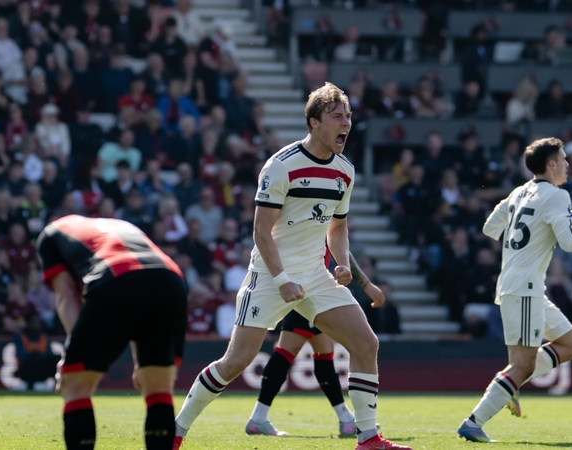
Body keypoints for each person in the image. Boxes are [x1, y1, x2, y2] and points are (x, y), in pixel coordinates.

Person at [172, 82, 410, 450]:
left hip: (315, 276)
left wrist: (343, 264)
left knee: (366, 342)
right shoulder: (282, 165)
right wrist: (282, 279)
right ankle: (175, 431)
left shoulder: (344, 170)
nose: (345, 123)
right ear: (314, 122)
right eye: (336, 116)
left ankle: (368, 437)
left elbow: (338, 226)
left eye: (347, 116)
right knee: (235, 361)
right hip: (270, 275)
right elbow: (260, 231)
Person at [457, 137, 572, 443]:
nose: (567, 164)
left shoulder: (518, 192)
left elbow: (489, 228)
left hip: (526, 287)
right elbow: (569, 243)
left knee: (571, 343)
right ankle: (475, 421)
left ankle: (509, 385)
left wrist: (531, 234)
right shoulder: (557, 195)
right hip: (524, 288)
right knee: (521, 365)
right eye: (563, 159)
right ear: (551, 164)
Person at [37, 215, 187, 450]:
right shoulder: (124, 225)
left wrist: (71, 354)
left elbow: (66, 295)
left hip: (115, 275)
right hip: (170, 279)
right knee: (157, 387)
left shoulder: (51, 234)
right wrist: (142, 362)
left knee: (74, 383)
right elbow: (144, 280)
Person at [246, 251, 385, 437]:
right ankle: (345, 420)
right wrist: (367, 285)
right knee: (290, 352)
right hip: (310, 289)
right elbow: (339, 248)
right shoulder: (321, 222)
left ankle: (259, 418)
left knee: (318, 354)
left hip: (309, 287)